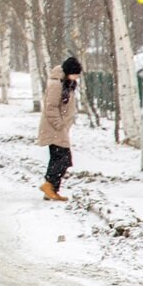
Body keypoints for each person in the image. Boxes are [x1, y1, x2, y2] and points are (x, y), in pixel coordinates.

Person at [38, 56, 82, 202]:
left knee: (58, 158)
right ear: (69, 72)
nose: (76, 77)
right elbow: (50, 107)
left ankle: (51, 189)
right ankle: (49, 185)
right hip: (54, 128)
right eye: (75, 73)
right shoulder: (57, 84)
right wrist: (59, 125)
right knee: (64, 158)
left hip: (59, 128)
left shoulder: (66, 83)